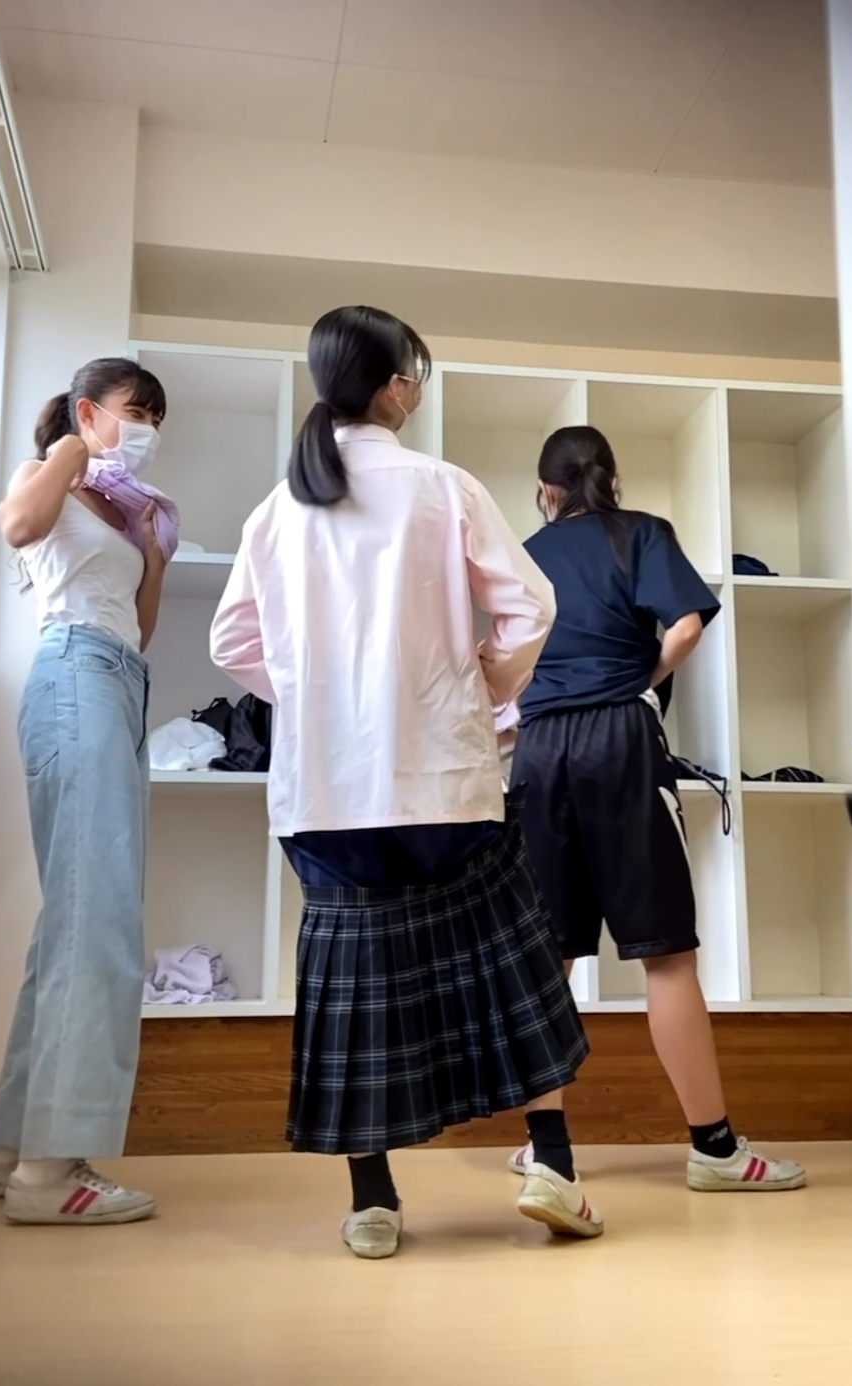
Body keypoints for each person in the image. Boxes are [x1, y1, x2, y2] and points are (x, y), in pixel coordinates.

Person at [210, 306, 602, 1259]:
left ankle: (373, 1202)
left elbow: (231, 643)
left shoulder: (276, 510)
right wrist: (481, 686)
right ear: (395, 387)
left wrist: (315, 695)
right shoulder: (441, 486)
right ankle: (551, 1167)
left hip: (325, 797)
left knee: (357, 997)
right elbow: (530, 606)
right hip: (444, 782)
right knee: (517, 972)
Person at [507, 425, 807, 1193]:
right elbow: (685, 623)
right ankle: (714, 1149)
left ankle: (545, 1149)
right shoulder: (638, 533)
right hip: (618, 740)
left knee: (548, 957)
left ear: (545, 491)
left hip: (536, 749)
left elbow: (500, 659)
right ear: (610, 480)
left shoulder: (524, 552)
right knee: (665, 956)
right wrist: (638, 679)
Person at [0, 357, 179, 1225]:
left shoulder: (123, 509)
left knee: (75, 919)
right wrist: (68, 451)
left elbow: (139, 629)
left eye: (158, 417)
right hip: (74, 676)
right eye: (137, 411)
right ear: (90, 411)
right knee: (97, 921)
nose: (149, 428)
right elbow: (17, 525)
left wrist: (153, 552)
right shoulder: (52, 468)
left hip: (120, 683)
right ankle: (51, 1174)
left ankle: (9, 1153)